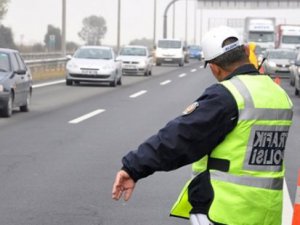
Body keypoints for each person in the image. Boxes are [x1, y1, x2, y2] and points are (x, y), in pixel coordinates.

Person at [112, 26, 293, 225]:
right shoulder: (278, 95)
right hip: (267, 213)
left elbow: (181, 137)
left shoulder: (228, 95)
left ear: (215, 67)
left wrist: (134, 167)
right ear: (245, 53)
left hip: (225, 211)